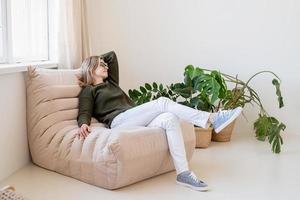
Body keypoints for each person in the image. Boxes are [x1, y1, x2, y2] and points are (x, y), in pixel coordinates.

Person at [76, 51, 242, 192]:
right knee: (162, 102)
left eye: (104, 64)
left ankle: (183, 173)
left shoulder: (111, 83)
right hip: (119, 121)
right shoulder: (89, 90)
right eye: (100, 65)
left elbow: (111, 56)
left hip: (134, 116)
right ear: (91, 70)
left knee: (170, 119)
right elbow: (84, 111)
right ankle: (212, 119)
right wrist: (83, 123)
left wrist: (98, 60)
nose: (105, 65)